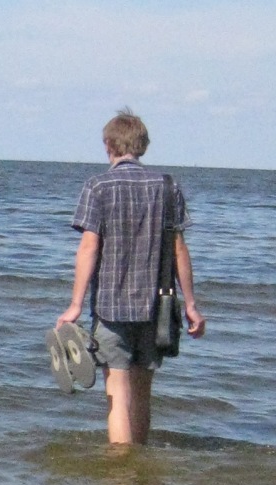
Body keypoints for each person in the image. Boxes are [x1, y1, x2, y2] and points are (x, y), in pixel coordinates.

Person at [56, 108, 205, 445]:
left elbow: (88, 247)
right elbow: (179, 249)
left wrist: (75, 305)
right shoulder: (167, 187)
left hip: (111, 307)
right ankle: (138, 462)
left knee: (117, 396)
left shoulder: (97, 187)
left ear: (109, 145)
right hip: (156, 308)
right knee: (142, 394)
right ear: (143, 146)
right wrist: (192, 306)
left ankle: (122, 470)